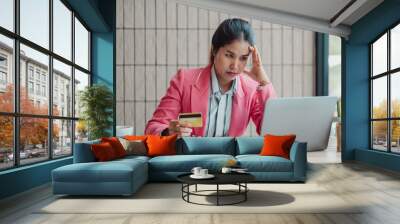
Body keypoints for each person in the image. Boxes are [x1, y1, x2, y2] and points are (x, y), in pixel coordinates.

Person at [145, 18, 276, 137]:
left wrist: (264, 82)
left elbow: (273, 133)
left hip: (229, 162)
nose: (235, 66)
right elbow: (153, 128)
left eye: (243, 58)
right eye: (229, 55)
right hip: (190, 161)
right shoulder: (184, 80)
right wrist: (168, 132)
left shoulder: (251, 90)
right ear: (214, 50)